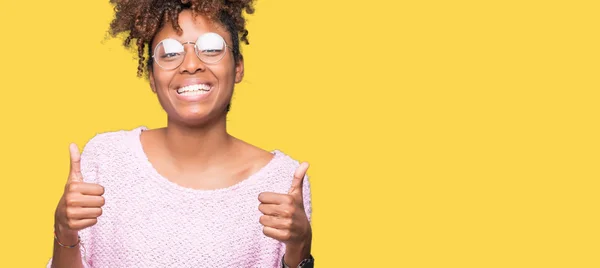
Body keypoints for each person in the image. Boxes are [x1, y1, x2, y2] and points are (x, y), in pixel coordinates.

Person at [47, 0, 314, 267]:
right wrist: (64, 232)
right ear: (152, 77)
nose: (190, 64)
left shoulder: (283, 181)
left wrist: (300, 250)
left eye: (211, 48)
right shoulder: (106, 159)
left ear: (238, 67)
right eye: (170, 53)